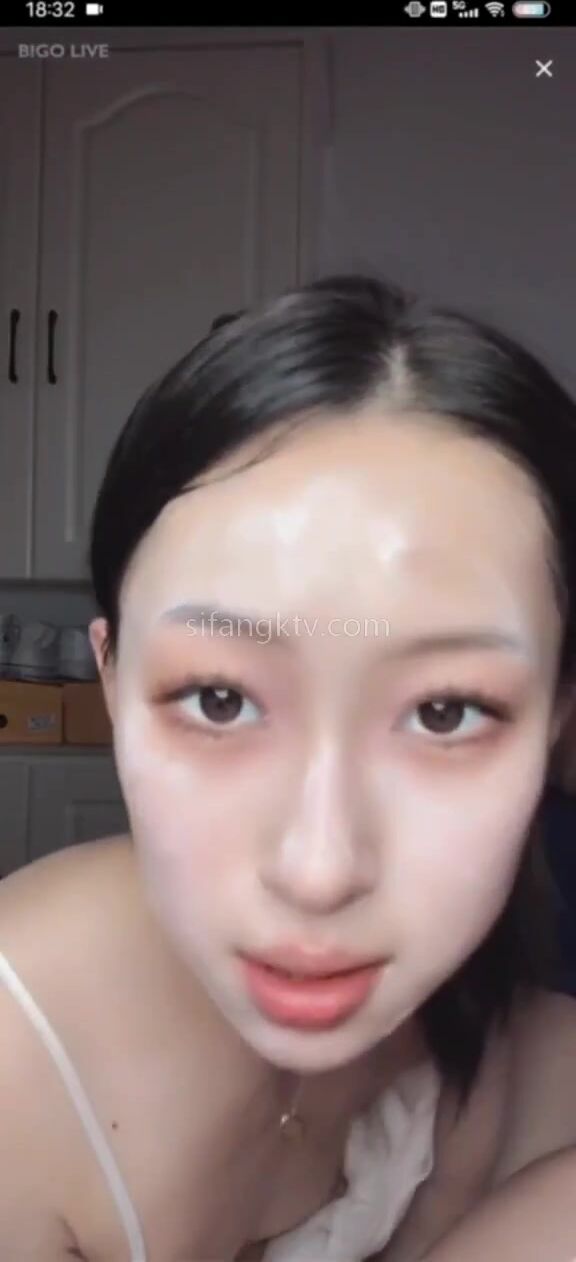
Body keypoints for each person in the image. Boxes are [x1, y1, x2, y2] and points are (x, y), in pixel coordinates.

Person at [1, 274, 576, 1262]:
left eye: (445, 712)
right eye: (219, 699)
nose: (319, 869)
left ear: (555, 720)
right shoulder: (16, 1072)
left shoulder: (509, 1048)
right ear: (112, 679)